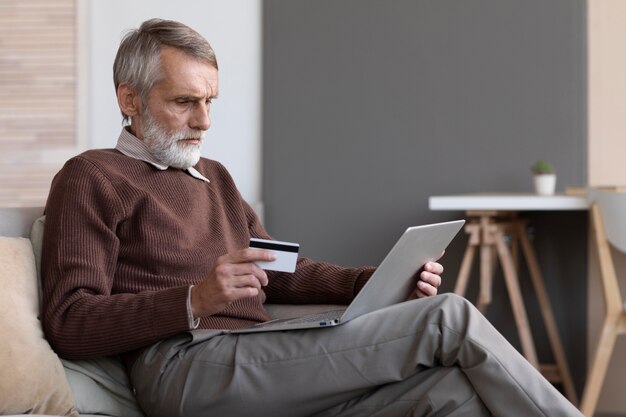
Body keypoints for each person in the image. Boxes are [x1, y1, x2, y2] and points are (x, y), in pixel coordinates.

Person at [41, 18, 583, 417]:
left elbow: (279, 269)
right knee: (449, 318)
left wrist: (376, 281)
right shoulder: (92, 177)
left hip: (257, 357)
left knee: (454, 395)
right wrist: (191, 300)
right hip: (184, 367)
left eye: (210, 101)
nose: (203, 121)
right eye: (185, 101)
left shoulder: (215, 177)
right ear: (129, 98)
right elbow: (68, 321)